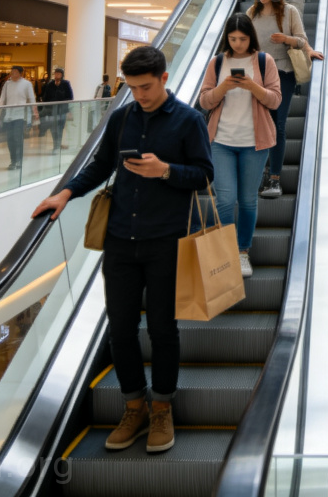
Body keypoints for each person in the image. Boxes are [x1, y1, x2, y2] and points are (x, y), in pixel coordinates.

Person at [32, 45, 213, 455]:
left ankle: (162, 407)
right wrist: (65, 194)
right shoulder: (122, 118)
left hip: (167, 241)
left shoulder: (189, 120)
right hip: (119, 241)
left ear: (164, 79)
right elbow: (100, 167)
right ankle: (134, 406)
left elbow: (204, 176)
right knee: (121, 329)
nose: (140, 95)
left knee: (164, 330)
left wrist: (165, 170)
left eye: (146, 87)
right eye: (132, 87)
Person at [199, 14, 281, 279]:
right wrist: (223, 87)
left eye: (242, 39)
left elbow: (275, 100)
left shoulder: (263, 61)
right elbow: (205, 102)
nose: (237, 44)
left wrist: (252, 86)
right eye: (233, 39)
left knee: (247, 200)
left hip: (254, 143)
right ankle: (225, 254)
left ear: (251, 37)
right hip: (221, 141)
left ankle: (242, 251)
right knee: (224, 199)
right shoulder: (217, 62)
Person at [246, 0, 322, 200]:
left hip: (283, 74)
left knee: (277, 123)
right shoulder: (252, 13)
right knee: (259, 124)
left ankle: (275, 177)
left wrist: (286, 40)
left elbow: (301, 39)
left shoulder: (289, 11)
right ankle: (260, 172)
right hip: (258, 73)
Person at [0, 65, 38, 170]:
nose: (13, 73)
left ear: (20, 73)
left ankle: (19, 160)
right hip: (9, 115)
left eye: (15, 72)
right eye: (12, 71)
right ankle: (13, 160)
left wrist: (35, 113)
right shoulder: (7, 84)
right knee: (10, 138)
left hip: (21, 115)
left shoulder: (27, 84)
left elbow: (31, 99)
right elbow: (2, 99)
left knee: (17, 138)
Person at [41, 67, 74, 154]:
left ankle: (57, 145)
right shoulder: (50, 84)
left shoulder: (66, 84)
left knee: (60, 128)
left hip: (62, 110)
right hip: (52, 111)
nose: (57, 75)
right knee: (53, 128)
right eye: (56, 73)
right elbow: (45, 97)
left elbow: (70, 97)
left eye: (59, 74)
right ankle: (56, 145)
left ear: (62, 75)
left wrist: (61, 100)